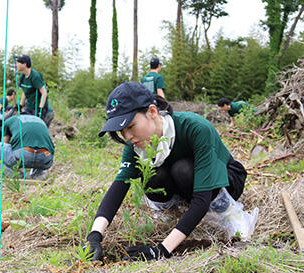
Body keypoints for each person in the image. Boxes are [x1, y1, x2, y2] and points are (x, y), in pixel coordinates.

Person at [85, 82, 254, 262]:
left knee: (183, 169)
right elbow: (119, 186)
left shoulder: (195, 128)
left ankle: (229, 213)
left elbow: (202, 199)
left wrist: (161, 250)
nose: (127, 136)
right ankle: (177, 213)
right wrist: (94, 236)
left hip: (224, 180)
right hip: (185, 185)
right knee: (153, 176)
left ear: (152, 112)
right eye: (121, 131)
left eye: (131, 126)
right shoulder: (135, 144)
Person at [0, 114, 55, 180]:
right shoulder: (40, 120)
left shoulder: (10, 120)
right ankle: (37, 175)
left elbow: (4, 144)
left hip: (24, 155)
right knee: (40, 147)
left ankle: (17, 175)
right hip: (46, 159)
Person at [16, 55, 49, 121]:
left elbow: (44, 93)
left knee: (36, 127)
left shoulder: (35, 76)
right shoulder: (22, 76)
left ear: (24, 64)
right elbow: (25, 91)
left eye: (18, 63)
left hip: (38, 107)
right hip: (29, 106)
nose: (16, 65)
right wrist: (20, 105)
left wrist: (40, 109)